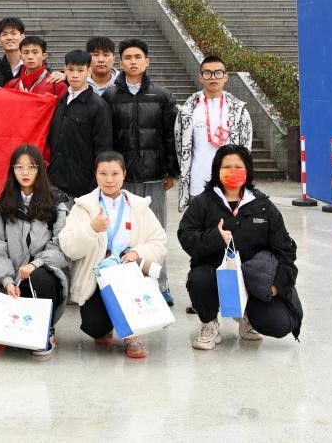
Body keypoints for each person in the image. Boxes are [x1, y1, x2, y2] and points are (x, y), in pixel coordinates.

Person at [177, 144, 303, 349]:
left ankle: (247, 317)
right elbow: (186, 236)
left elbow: (285, 251)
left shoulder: (263, 206)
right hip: (213, 274)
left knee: (278, 323)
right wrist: (215, 238)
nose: (232, 172)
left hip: (252, 278)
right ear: (217, 170)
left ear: (248, 170)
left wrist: (276, 286)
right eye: (227, 167)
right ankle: (209, 323)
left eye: (238, 167)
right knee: (199, 278)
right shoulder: (203, 202)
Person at [58, 151, 170, 360]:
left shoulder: (138, 206)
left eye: (115, 173)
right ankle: (107, 325)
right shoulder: (83, 207)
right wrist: (91, 228)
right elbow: (68, 247)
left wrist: (137, 252)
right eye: (103, 173)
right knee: (95, 328)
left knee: (131, 293)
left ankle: (133, 335)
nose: (109, 179)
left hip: (130, 273)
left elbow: (159, 241)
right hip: (97, 277)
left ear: (124, 174)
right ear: (95, 175)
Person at [102, 37, 179, 298]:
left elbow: (170, 136)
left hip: (154, 176)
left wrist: (171, 171)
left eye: (138, 57)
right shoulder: (110, 96)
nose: (133, 62)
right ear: (120, 63)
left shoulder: (161, 96)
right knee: (123, 232)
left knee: (155, 231)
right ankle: (126, 284)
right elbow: (108, 138)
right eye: (128, 58)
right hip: (122, 177)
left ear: (147, 61)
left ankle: (160, 285)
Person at [0, 144, 71, 357]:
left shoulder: (56, 203)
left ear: (40, 169)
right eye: (19, 167)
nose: (25, 172)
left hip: (45, 274)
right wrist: (7, 280)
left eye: (31, 167)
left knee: (40, 278)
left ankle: (46, 328)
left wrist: (34, 264)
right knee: (14, 342)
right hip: (13, 277)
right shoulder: (2, 204)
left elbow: (62, 246)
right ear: (12, 170)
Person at [175, 54, 254, 212]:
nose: (213, 77)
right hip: (198, 185)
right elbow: (179, 147)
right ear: (200, 77)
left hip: (231, 185)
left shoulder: (239, 111)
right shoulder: (187, 111)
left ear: (226, 77)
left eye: (218, 73)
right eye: (207, 73)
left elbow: (246, 151)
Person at [47, 49, 114, 199]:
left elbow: (103, 149)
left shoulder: (99, 106)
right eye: (71, 70)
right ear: (64, 70)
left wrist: (95, 185)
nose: (75, 75)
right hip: (55, 182)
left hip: (82, 187)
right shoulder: (59, 102)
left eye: (80, 70)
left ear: (89, 71)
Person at [0, 16, 27, 85]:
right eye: (4, 34)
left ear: (23, 37)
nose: (9, 38)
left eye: (13, 33)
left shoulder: (36, 64)